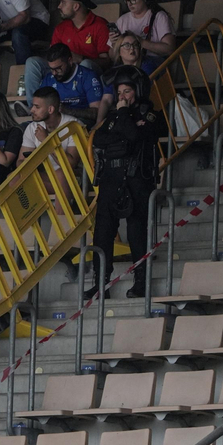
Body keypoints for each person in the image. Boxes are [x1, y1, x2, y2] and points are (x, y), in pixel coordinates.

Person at [87, 67, 164, 299]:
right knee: (102, 233)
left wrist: (124, 122)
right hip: (110, 181)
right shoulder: (113, 117)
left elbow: (133, 136)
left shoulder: (150, 116)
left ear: (137, 91)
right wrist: (123, 126)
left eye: (127, 91)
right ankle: (100, 283)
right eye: (119, 92)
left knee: (137, 233)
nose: (122, 97)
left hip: (137, 180)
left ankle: (140, 281)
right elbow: (99, 139)